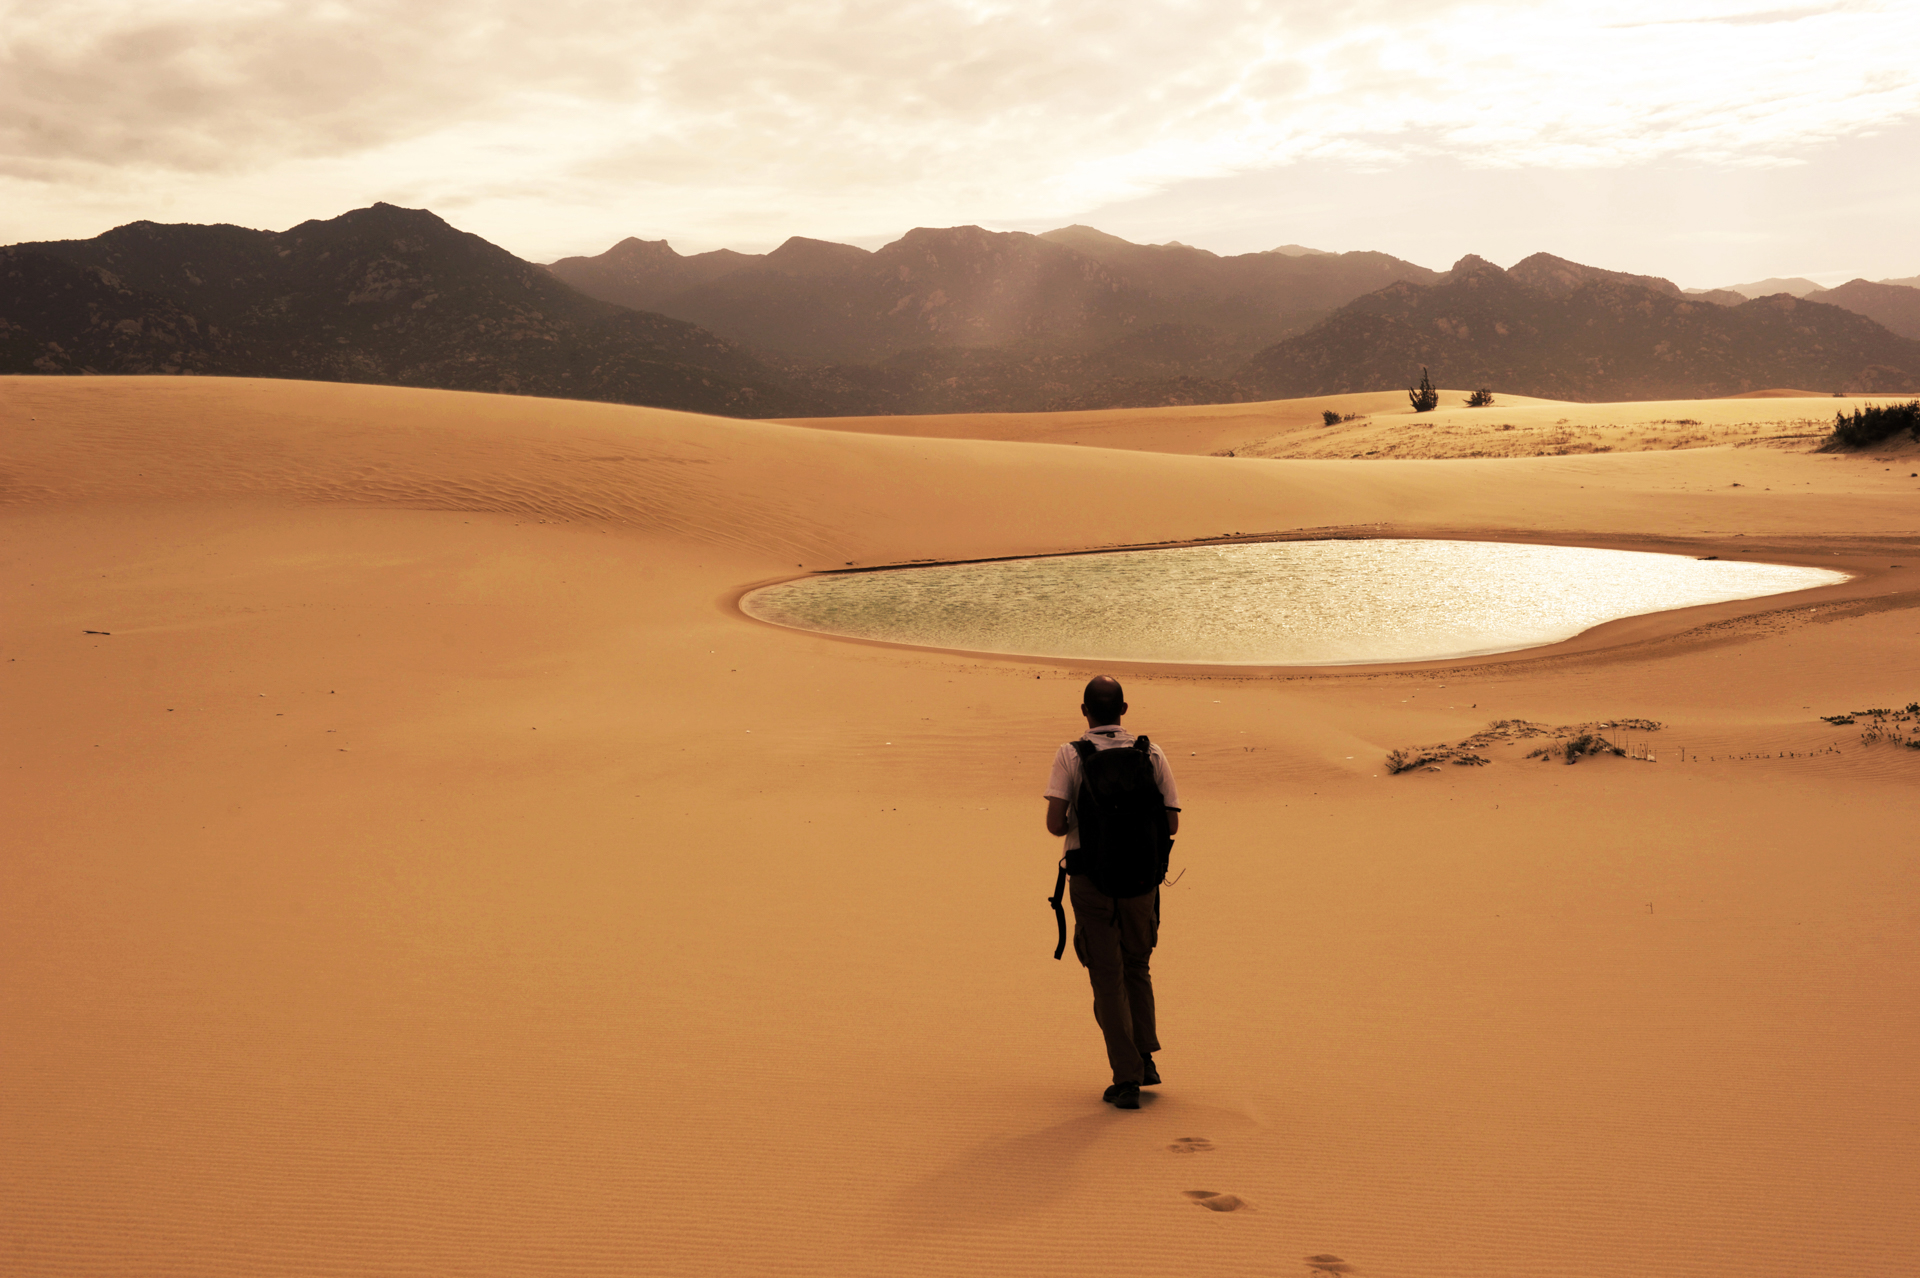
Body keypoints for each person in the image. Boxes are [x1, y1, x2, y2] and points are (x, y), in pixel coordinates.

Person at [1044, 675, 1181, 1110]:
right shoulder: (1150, 753)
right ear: (1123, 710)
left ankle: (1126, 1079)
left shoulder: (1071, 755)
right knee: (1137, 964)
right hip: (1142, 879)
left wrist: (1086, 825)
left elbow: (1054, 824)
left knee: (1106, 974)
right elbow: (1172, 823)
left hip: (1091, 880)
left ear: (1085, 712)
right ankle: (1145, 1057)